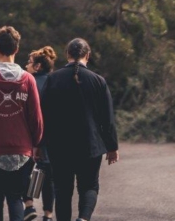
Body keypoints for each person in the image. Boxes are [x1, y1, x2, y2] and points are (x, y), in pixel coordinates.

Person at [41, 38, 119, 221]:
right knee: (89, 187)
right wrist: (112, 146)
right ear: (88, 56)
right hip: (90, 146)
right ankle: (83, 219)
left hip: (59, 146)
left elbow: (43, 115)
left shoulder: (53, 79)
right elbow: (107, 119)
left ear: (67, 54)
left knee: (62, 190)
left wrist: (39, 144)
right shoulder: (98, 81)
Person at [0, 26, 44, 221]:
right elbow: (36, 118)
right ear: (17, 49)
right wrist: (35, 143)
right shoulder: (28, 80)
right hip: (22, 150)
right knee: (15, 199)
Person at [23, 46, 57, 221]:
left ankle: (29, 206)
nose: (26, 65)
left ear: (37, 66)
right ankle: (48, 215)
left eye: (29, 62)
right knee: (48, 177)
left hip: (29, 136)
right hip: (51, 137)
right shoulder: (55, 81)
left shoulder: (28, 82)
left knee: (23, 171)